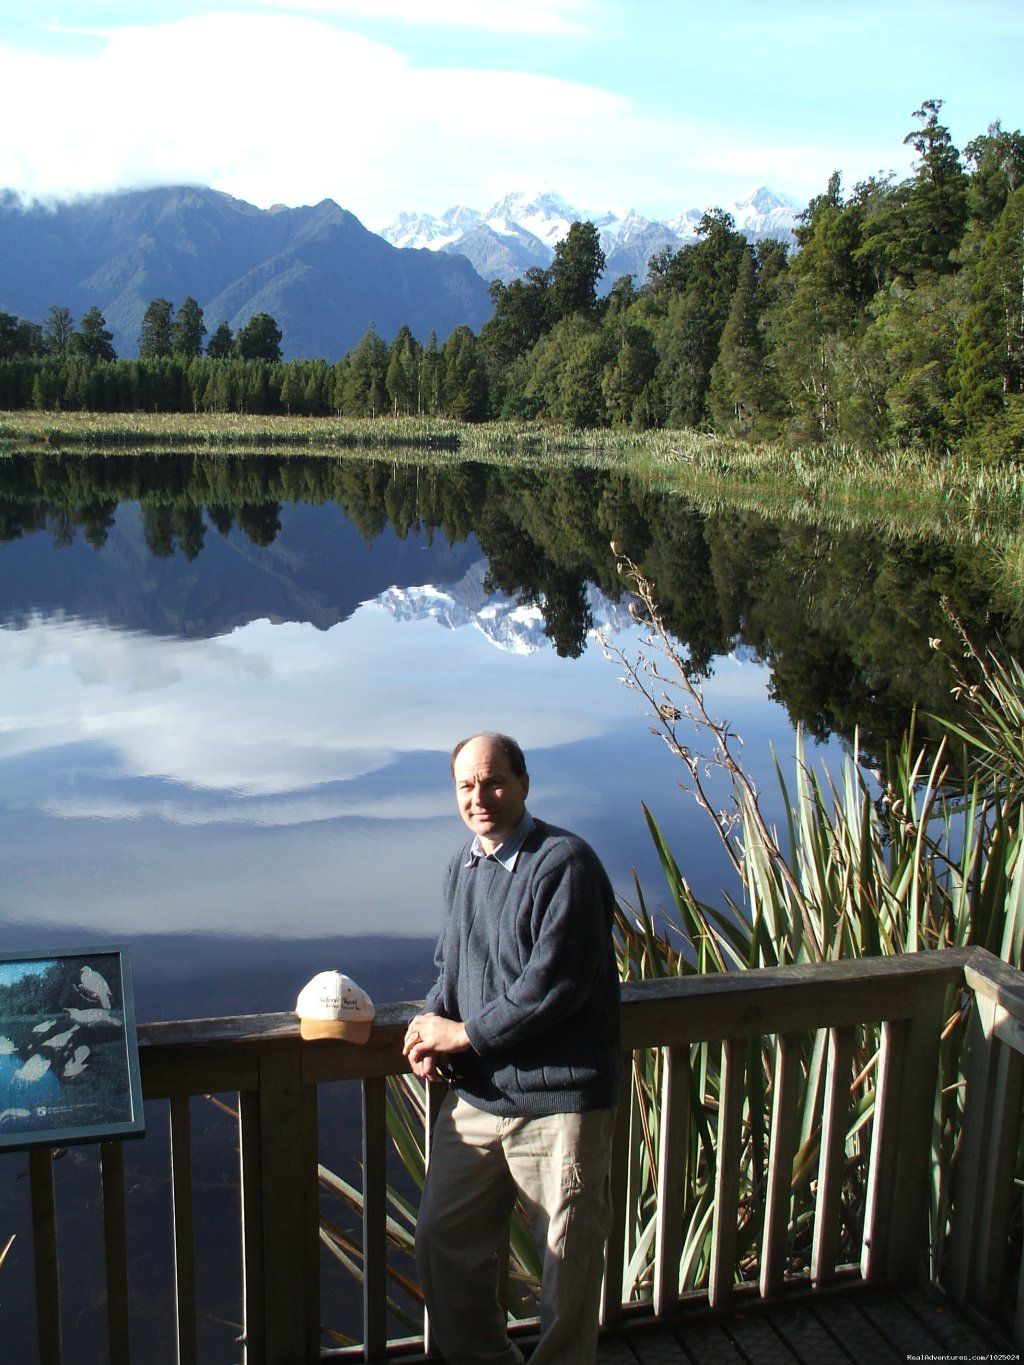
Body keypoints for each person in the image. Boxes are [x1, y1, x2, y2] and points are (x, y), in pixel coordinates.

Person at [403, 732, 621, 1365]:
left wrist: (465, 1035)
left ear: (524, 784)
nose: (481, 797)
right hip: (479, 1098)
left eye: (494, 782)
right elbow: (454, 968)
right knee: (443, 1243)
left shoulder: (564, 864)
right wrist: (431, 1019)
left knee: (568, 1267)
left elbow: (555, 986)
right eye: (467, 786)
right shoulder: (464, 866)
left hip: (560, 1104)